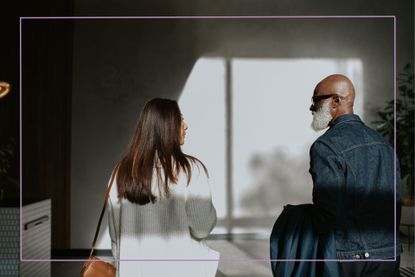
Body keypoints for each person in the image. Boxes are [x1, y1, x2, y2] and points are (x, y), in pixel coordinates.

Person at [107, 98, 219, 277]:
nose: (186, 125)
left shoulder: (119, 172)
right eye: (180, 119)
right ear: (167, 126)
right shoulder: (190, 170)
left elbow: (116, 237)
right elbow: (202, 228)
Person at [309, 74, 401, 276]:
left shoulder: (325, 146)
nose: (311, 107)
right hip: (389, 254)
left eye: (316, 99)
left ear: (336, 101)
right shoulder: (384, 144)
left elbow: (327, 212)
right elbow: (395, 200)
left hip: (349, 258)